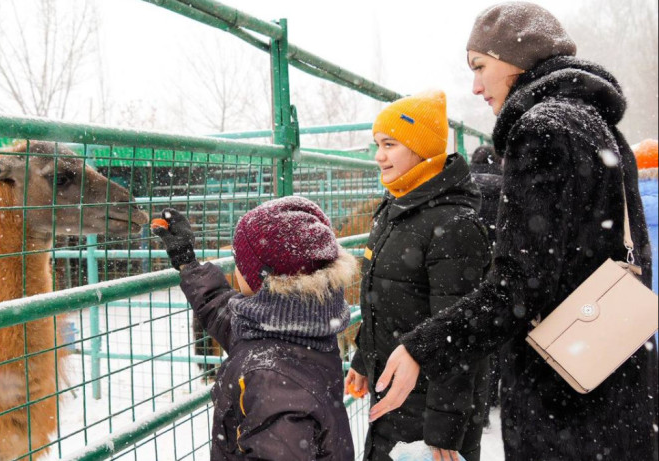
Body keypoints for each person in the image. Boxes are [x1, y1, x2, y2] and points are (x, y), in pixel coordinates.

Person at [369, 3, 656, 461]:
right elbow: (630, 251)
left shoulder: (540, 131)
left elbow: (520, 285)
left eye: (480, 66)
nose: (475, 86)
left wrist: (422, 347)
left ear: (515, 58)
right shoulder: (600, 127)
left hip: (564, 401)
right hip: (616, 376)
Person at [345, 90, 491, 461]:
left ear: (420, 149)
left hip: (429, 414)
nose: (378, 156)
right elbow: (383, 301)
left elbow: (461, 334)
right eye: (377, 144)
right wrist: (364, 358)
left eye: (389, 144)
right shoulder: (394, 210)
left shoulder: (454, 225)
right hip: (394, 395)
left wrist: (443, 431)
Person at [153, 197, 357, 460]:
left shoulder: (272, 383)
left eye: (238, 262)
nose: (236, 269)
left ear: (261, 277)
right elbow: (223, 311)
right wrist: (187, 263)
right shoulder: (301, 325)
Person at [468, 144, 504, 427]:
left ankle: (479, 396)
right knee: (501, 329)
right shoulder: (507, 186)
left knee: (475, 329)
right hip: (500, 266)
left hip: (471, 266)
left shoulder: (465, 186)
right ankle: (494, 392)